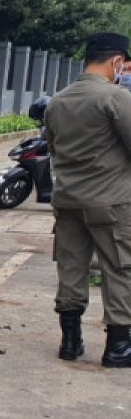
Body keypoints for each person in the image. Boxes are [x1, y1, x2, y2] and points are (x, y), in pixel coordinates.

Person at [43, 32, 131, 367]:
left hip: (68, 201)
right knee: (120, 268)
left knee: (71, 268)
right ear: (115, 61)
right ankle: (118, 347)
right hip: (110, 202)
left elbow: (53, 149)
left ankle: (70, 342)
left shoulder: (58, 100)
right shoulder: (115, 98)